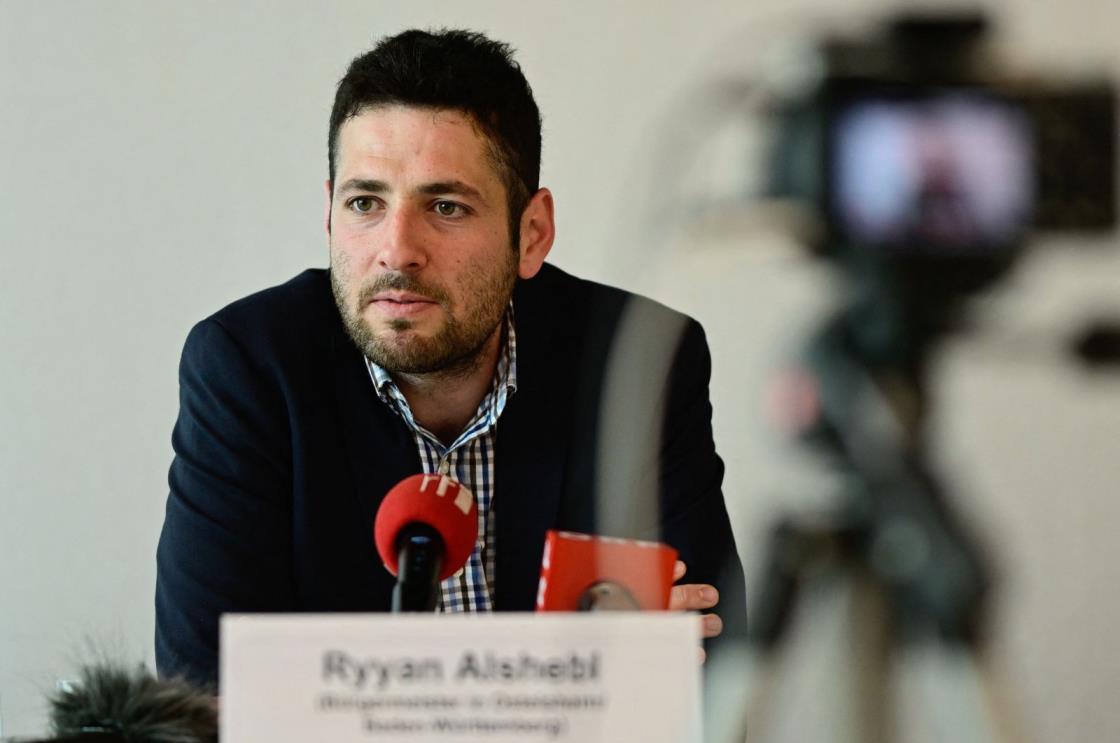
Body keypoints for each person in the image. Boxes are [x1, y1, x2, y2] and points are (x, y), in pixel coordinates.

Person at [155, 28, 745, 687]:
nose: (397, 248)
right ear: (328, 217)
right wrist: (576, 670)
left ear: (532, 234)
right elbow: (206, 693)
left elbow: (713, 679)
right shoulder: (249, 369)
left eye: (445, 205)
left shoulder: (638, 364)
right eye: (365, 203)